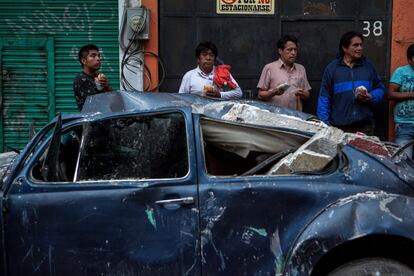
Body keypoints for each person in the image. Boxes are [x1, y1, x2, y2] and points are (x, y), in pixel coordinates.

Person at [317, 31, 385, 135]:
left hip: (365, 127)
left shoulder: (369, 67)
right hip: (339, 128)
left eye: (361, 45)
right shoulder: (332, 69)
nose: (359, 48)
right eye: (355, 45)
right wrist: (324, 123)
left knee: (364, 152)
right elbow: (324, 98)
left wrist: (371, 96)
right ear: (345, 48)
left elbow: (380, 88)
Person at [257, 35, 311, 111]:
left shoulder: (301, 68)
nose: (293, 53)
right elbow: (260, 94)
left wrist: (302, 93)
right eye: (289, 50)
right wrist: (273, 92)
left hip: (295, 116)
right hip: (274, 116)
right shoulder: (269, 68)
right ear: (280, 51)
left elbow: (307, 94)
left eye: (295, 50)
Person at [388, 44, 414, 157]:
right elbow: (390, 94)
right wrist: (412, 94)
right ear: (409, 60)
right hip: (404, 124)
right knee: (403, 162)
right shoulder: (401, 72)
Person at [73, 44, 112, 110]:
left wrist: (107, 87)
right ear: (84, 61)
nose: (98, 59)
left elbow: (112, 101)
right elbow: (94, 105)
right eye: (93, 56)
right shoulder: (81, 79)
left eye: (99, 56)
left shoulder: (98, 77)